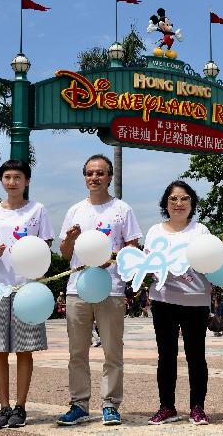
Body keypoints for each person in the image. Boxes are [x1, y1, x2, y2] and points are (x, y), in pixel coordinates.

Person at [56, 154, 141, 427]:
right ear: (85, 177)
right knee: (77, 352)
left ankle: (110, 405)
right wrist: (69, 239)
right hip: (77, 288)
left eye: (100, 173)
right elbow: (65, 253)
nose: (95, 178)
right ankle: (79, 404)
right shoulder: (74, 210)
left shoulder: (122, 209)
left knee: (112, 352)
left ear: (110, 176)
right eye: (90, 173)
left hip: (111, 288)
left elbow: (133, 249)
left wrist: (111, 255)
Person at [0, 160, 54, 428]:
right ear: (2, 181)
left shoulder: (37, 210)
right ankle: (3, 406)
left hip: (27, 289)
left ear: (27, 181)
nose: (12, 182)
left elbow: (46, 243)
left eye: (17, 177)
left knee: (24, 350)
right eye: (7, 177)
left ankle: (20, 406)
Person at [144, 180, 213, 426]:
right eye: (173, 199)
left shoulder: (201, 231)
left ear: (192, 203)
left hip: (196, 300)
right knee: (166, 356)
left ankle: (198, 407)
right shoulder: (154, 231)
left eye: (184, 198)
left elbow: (211, 263)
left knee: (196, 356)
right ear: (166, 203)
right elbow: (147, 265)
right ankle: (167, 407)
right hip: (164, 300)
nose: (179, 203)